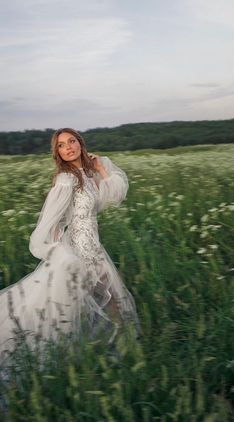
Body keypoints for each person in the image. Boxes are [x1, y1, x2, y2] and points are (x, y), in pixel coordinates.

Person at [0, 128, 140, 364]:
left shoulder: (85, 174)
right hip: (76, 252)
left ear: (80, 143)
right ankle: (80, 358)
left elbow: (113, 195)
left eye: (71, 141)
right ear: (58, 153)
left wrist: (100, 169)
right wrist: (61, 255)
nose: (68, 147)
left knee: (109, 302)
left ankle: (122, 355)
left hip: (94, 249)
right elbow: (48, 225)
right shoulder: (66, 180)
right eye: (62, 145)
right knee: (76, 308)